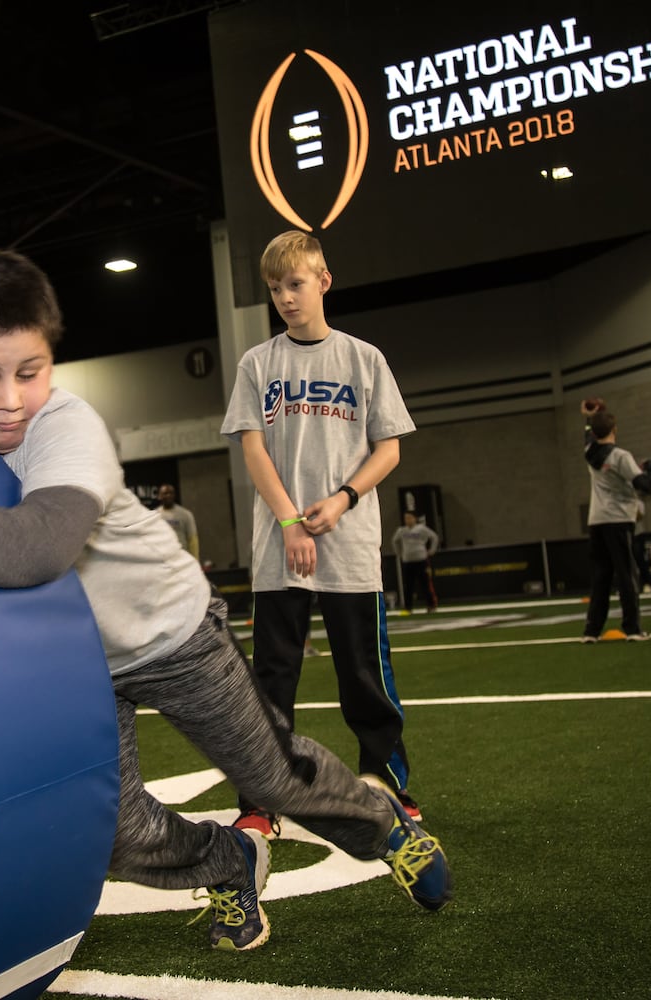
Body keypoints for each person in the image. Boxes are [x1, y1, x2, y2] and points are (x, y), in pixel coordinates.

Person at [0, 246, 452, 953]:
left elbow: (40, 541)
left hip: (168, 631)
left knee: (268, 773)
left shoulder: (63, 422)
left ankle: (382, 826)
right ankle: (231, 862)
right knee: (112, 835)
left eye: (29, 371)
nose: (9, 400)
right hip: (70, 666)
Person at [221, 230, 425, 834]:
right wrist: (289, 521)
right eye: (275, 288)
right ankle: (261, 802)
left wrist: (342, 500)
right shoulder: (258, 364)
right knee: (272, 680)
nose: (285, 297)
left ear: (323, 280)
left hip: (351, 546)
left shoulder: (364, 359)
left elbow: (389, 450)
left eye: (296, 284)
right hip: (280, 548)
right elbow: (253, 451)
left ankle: (386, 788)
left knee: (364, 674)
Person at [579, 401, 651, 643]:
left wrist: (588, 418)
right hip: (618, 520)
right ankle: (632, 628)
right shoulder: (620, 456)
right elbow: (644, 485)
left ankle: (591, 631)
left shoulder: (589, 453)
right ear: (614, 430)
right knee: (626, 574)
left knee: (601, 576)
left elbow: (588, 440)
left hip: (596, 521)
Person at [155, 484, 200, 561]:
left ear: (174, 495)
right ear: (160, 496)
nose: (168, 495)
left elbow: (192, 540)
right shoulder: (154, 516)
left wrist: (195, 560)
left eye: (171, 493)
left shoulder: (185, 514)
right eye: (165, 493)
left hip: (182, 559)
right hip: (163, 560)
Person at [633, 496, 651, 594]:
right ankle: (628, 586)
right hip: (624, 535)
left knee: (640, 559)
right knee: (624, 562)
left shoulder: (638, 503)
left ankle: (646, 584)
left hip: (638, 535)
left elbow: (639, 516)